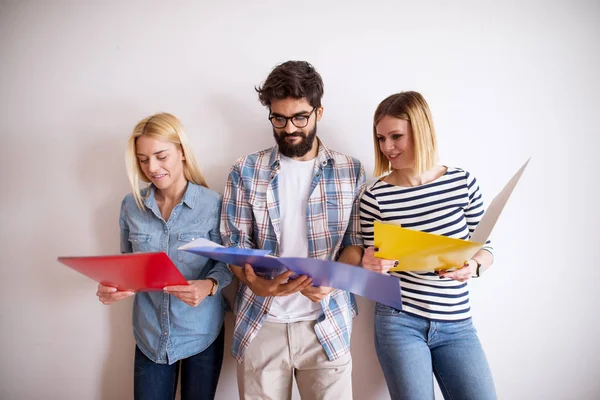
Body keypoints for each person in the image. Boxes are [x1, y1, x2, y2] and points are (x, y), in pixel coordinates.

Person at [220, 61, 366, 400]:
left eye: (300, 117)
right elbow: (234, 244)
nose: (289, 129)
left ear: (319, 112)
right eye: (279, 118)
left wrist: (335, 279)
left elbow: (355, 243)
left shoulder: (349, 170)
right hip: (261, 324)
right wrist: (253, 280)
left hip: (327, 325)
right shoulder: (245, 170)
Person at [360, 91, 497, 400]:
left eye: (396, 136)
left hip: (457, 323)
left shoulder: (461, 183)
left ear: (421, 131)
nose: (387, 147)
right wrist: (370, 265)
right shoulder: (374, 196)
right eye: (381, 138)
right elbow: (371, 269)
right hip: (400, 323)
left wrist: (472, 267)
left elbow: (486, 249)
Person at [96, 112, 232, 400]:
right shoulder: (130, 206)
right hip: (150, 335)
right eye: (143, 159)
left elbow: (228, 263)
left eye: (161, 156)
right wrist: (114, 287)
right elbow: (129, 266)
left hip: (202, 333)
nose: (152, 167)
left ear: (181, 152)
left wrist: (208, 286)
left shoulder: (213, 203)